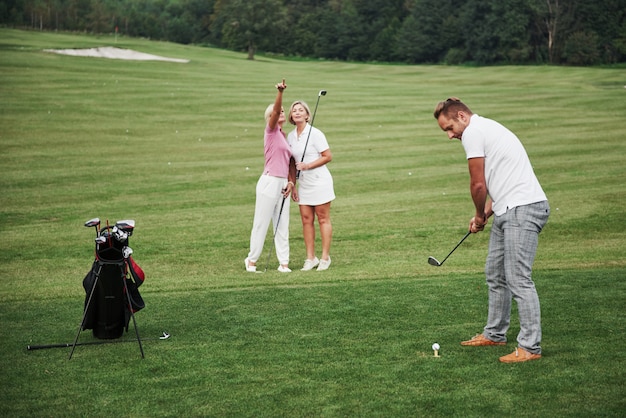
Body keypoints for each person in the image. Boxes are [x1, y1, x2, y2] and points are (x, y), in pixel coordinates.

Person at [433, 97, 550, 363]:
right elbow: (499, 185)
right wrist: (483, 215)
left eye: (449, 128)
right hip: (507, 207)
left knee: (519, 278)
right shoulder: (484, 129)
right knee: (495, 272)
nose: (450, 136)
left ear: (462, 116)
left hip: (523, 208)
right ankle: (495, 333)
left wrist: (477, 213)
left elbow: (478, 185)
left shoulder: (474, 131)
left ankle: (530, 347)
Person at [245, 80, 296, 273]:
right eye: (279, 111)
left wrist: (291, 182)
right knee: (262, 223)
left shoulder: (284, 135)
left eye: (284, 111)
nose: (282, 112)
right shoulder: (271, 130)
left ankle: (284, 263)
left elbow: (290, 162)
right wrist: (280, 93)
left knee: (282, 224)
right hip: (268, 182)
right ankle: (251, 261)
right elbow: (275, 112)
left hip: (282, 183)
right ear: (271, 117)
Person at [287, 100, 335, 271]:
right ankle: (310, 258)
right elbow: (291, 163)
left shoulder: (315, 133)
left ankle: (324, 258)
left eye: (301, 110)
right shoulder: (290, 136)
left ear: (307, 115)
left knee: (323, 219)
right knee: (306, 220)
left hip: (320, 181)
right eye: (294, 111)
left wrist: (308, 165)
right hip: (304, 185)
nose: (297, 112)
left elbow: (327, 156)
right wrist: (292, 183)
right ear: (291, 116)